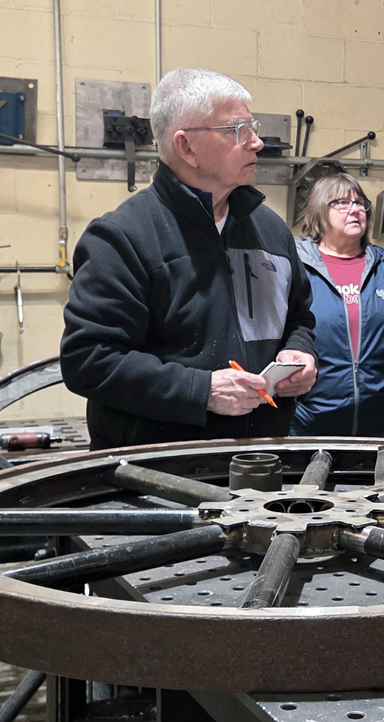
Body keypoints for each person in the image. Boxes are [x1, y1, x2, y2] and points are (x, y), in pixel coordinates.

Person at [61, 68, 318, 449]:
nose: (257, 143)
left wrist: (302, 353)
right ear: (187, 147)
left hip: (261, 463)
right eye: (238, 131)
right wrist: (201, 390)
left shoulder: (270, 230)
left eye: (254, 127)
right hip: (161, 476)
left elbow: (299, 318)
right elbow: (89, 360)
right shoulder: (123, 237)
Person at [290, 174, 384, 437]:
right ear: (320, 210)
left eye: (360, 203)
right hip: (306, 425)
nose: (356, 209)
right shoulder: (294, 268)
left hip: (377, 426)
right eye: (343, 203)